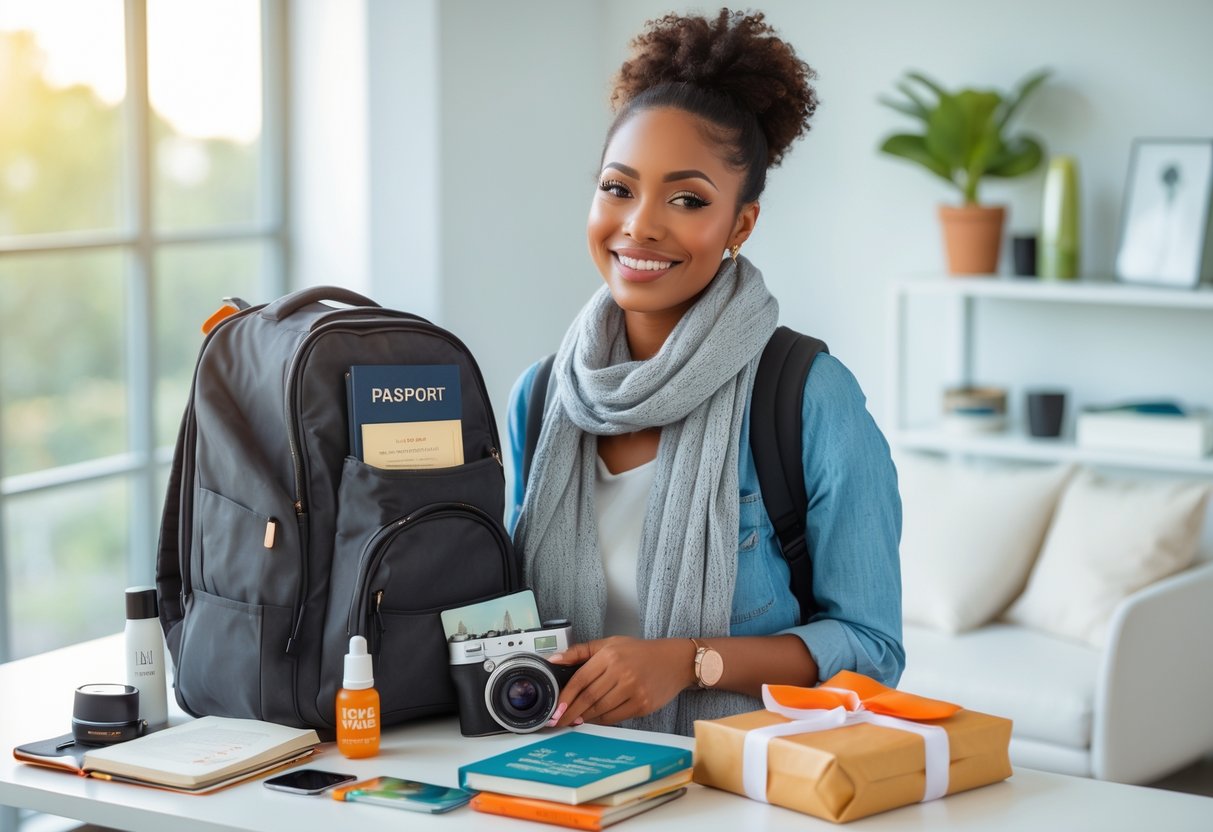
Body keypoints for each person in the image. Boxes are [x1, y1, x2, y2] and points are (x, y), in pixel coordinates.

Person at [506, 8, 903, 736]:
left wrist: (687, 662)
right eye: (617, 189)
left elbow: (873, 650)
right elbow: (503, 624)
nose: (640, 225)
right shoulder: (539, 398)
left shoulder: (805, 394)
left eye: (686, 199)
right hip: (556, 778)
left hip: (738, 788)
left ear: (740, 225)